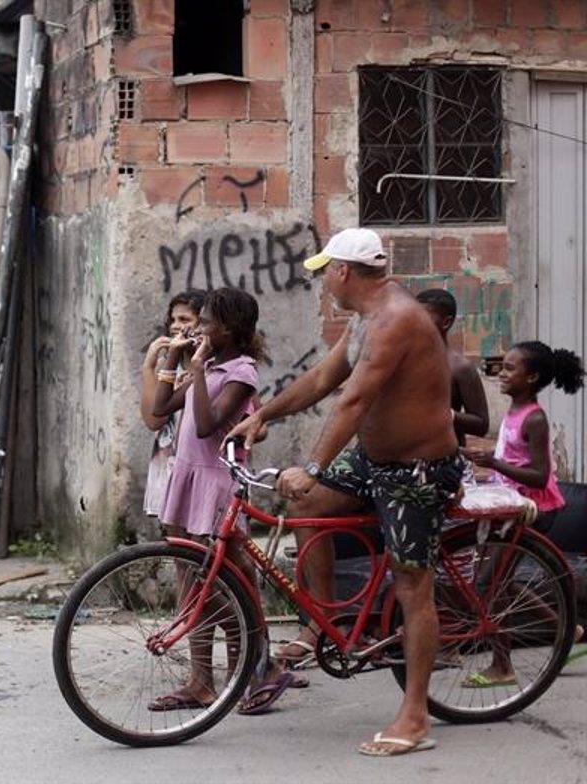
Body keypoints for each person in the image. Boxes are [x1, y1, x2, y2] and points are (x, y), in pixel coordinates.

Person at [229, 227, 464, 757]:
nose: (323, 284)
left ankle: (416, 715)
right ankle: (327, 623)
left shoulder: (398, 319)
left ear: (343, 272)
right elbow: (321, 380)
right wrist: (262, 414)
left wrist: (312, 464)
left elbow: (354, 402)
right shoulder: (363, 319)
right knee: (306, 503)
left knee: (412, 586)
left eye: (325, 273)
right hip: (374, 460)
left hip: (417, 470)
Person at [149, 287, 297, 715]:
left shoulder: (241, 372)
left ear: (228, 329)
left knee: (230, 581)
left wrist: (195, 370)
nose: (197, 329)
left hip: (216, 481)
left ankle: (248, 671)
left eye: (206, 323)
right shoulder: (209, 365)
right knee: (196, 580)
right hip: (186, 476)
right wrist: (174, 361)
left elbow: (207, 426)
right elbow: (161, 408)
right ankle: (203, 680)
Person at [462, 340, 586, 685]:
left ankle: (503, 666)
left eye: (510, 368)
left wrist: (495, 462)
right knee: (498, 581)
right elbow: (511, 464)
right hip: (510, 505)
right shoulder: (515, 410)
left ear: (531, 377)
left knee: (490, 584)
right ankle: (569, 629)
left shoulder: (535, 418)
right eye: (502, 367)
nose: (501, 374)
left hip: (532, 510)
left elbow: (541, 475)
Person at [140, 290, 205, 517]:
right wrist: (149, 369)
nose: (176, 326)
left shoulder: (213, 365)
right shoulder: (167, 368)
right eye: (173, 320)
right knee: (175, 538)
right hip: (169, 461)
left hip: (202, 462)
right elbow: (153, 420)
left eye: (185, 320)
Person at [416, 289, 489, 445]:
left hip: (444, 459)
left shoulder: (460, 367)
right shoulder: (405, 359)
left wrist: (442, 413)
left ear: (446, 322)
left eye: (423, 317)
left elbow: (481, 424)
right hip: (404, 460)